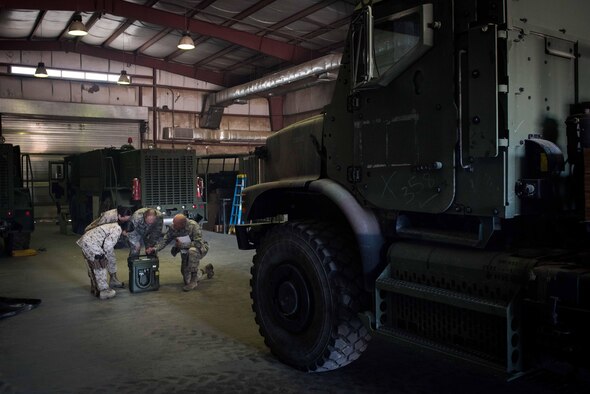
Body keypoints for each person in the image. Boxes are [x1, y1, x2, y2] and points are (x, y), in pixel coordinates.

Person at [154, 214, 213, 291]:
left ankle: (194, 280)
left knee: (192, 251)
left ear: (183, 224)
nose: (173, 226)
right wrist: (155, 249)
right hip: (185, 251)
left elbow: (198, 243)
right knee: (186, 280)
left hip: (200, 249)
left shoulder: (194, 226)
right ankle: (206, 269)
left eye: (176, 224)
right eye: (173, 223)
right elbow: (166, 239)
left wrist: (182, 245)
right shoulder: (173, 226)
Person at [84, 206, 133, 288]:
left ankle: (113, 279)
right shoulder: (108, 217)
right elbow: (99, 229)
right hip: (93, 238)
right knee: (97, 262)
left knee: (111, 258)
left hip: (103, 239)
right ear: (120, 216)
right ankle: (95, 284)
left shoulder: (121, 218)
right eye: (125, 219)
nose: (126, 221)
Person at [76, 222, 123, 300]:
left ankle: (95, 288)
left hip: (85, 241)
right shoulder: (118, 229)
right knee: (100, 265)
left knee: (91, 265)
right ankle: (103, 291)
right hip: (93, 244)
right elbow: (107, 246)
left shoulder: (113, 225)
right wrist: (104, 256)